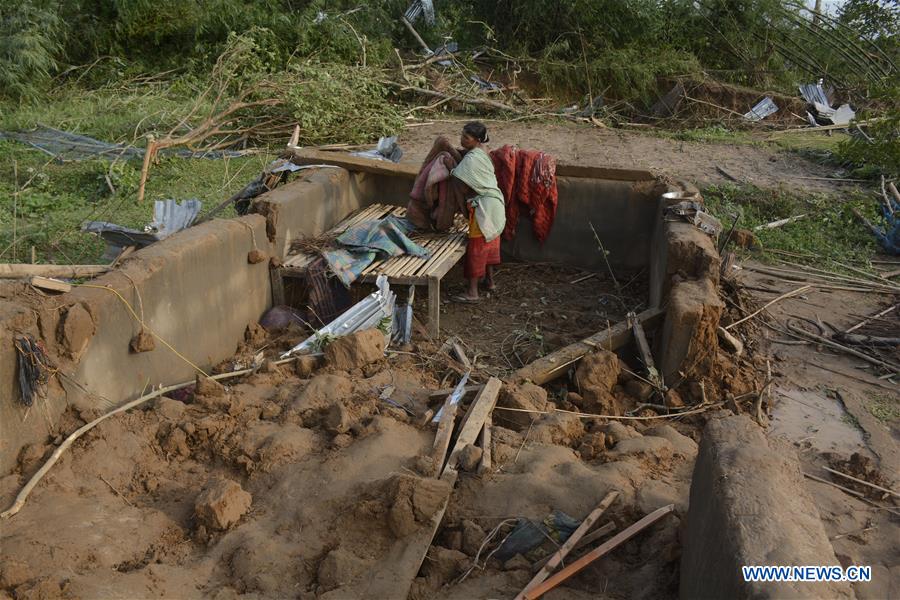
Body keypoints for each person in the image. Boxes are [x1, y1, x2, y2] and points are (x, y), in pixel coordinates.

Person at [449, 122, 506, 302]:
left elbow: (460, 182)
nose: (461, 139)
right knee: (489, 242)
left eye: (466, 137)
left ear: (477, 140)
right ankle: (490, 282)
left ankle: (472, 293)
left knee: (477, 248)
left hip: (484, 208)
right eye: (462, 135)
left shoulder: (471, 159)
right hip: (495, 205)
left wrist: (451, 170)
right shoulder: (482, 152)